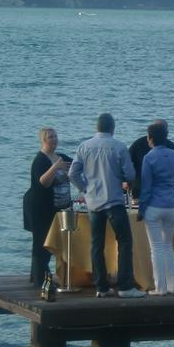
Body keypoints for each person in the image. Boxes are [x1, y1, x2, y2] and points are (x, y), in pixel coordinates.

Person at [69, 113, 144, 298]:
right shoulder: (119, 147)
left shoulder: (84, 146)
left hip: (93, 203)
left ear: (97, 127)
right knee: (125, 241)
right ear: (113, 127)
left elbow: (72, 173)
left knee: (97, 244)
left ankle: (101, 286)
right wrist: (121, 178)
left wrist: (84, 189)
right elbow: (130, 175)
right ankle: (125, 286)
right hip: (114, 201)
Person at [138, 120, 174, 295]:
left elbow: (146, 187)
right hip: (172, 205)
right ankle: (173, 286)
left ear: (150, 138)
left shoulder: (149, 157)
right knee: (168, 247)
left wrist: (141, 209)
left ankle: (160, 287)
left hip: (154, 206)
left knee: (156, 248)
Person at [25, 127, 72, 286]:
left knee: (56, 242)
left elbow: (76, 169)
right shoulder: (40, 160)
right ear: (43, 140)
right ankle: (40, 279)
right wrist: (55, 167)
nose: (54, 139)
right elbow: (43, 182)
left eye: (55, 136)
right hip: (40, 207)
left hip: (59, 207)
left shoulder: (61, 157)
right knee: (41, 243)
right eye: (50, 137)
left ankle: (40, 275)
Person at [127, 119, 174, 200]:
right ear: (167, 132)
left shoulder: (141, 147)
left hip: (143, 194)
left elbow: (126, 165)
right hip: (167, 198)